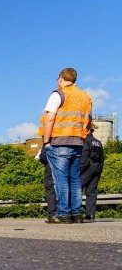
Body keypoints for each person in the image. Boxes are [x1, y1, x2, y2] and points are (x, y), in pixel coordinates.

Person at [37, 67, 93, 224]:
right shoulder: (85, 97)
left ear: (61, 78)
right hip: (78, 143)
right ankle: (76, 214)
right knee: (75, 179)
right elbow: (88, 121)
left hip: (60, 142)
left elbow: (50, 118)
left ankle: (63, 214)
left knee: (60, 179)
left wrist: (46, 141)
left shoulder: (58, 94)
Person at [80, 125, 104, 221]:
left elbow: (84, 157)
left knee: (77, 188)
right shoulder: (98, 142)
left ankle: (76, 213)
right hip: (97, 168)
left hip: (87, 168)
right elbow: (102, 158)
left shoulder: (86, 141)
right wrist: (99, 171)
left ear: (87, 130)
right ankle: (90, 215)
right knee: (91, 192)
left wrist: (79, 170)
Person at [38, 146, 57, 222]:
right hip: (64, 166)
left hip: (50, 166)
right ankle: (68, 213)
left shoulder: (48, 141)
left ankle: (52, 214)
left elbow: (42, 156)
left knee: (51, 190)